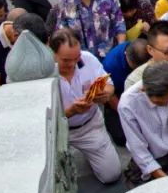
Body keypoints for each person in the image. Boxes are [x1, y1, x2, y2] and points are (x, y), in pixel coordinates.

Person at [49, 29, 122, 184]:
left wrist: (106, 94)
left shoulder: (87, 59)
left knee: (111, 174)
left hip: (89, 125)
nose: (72, 64)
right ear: (52, 53)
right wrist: (70, 111)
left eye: (76, 59)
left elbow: (108, 84)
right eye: (66, 60)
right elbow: (44, 117)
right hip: (57, 130)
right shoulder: (45, 72)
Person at [117, 61, 168, 186]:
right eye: (160, 103)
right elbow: (140, 151)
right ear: (143, 90)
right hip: (153, 158)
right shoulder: (127, 104)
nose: (167, 105)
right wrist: (167, 182)